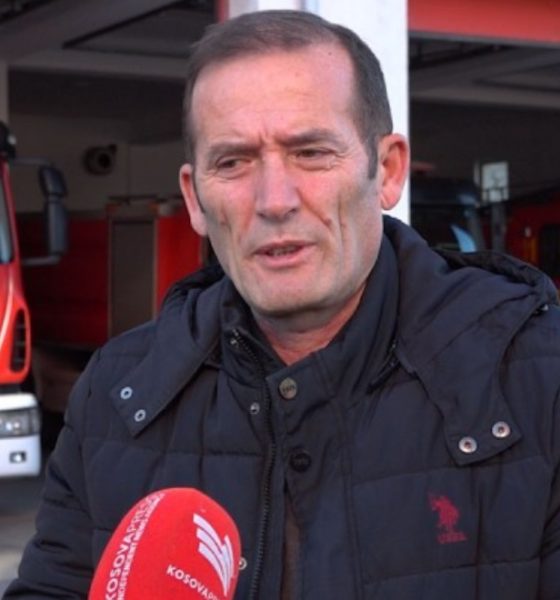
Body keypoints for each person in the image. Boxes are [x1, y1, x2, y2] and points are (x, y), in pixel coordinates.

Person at [6, 9, 560, 600]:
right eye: (233, 162)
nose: (274, 200)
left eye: (311, 152)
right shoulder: (117, 393)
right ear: (194, 199)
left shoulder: (538, 375)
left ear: (387, 170)